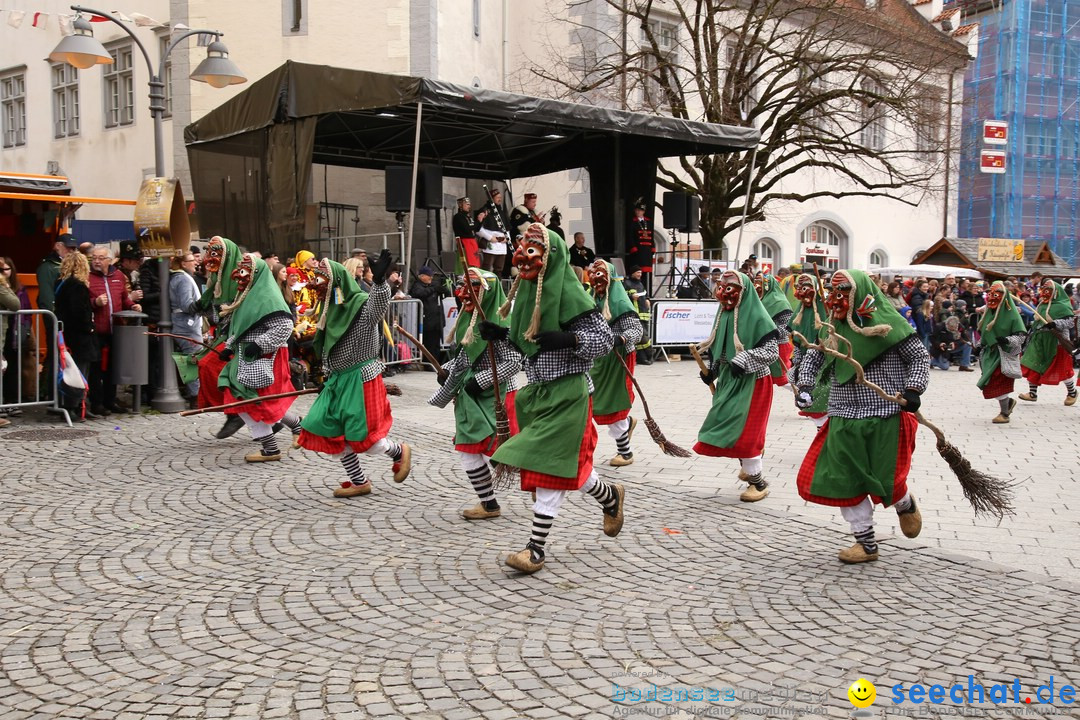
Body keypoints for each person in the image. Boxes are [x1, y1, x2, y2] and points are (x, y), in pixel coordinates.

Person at [477, 222, 624, 574]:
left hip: (570, 393)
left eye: (532, 249)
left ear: (550, 255)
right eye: (521, 247)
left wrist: (571, 340)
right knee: (564, 467)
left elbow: (604, 340)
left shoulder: (572, 294)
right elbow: (527, 342)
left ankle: (535, 549)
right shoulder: (528, 293)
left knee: (547, 469)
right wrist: (501, 335)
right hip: (539, 394)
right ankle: (610, 496)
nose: (522, 256)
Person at [794, 269, 928, 564]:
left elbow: (919, 357)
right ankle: (866, 543)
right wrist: (804, 385)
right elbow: (813, 357)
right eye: (833, 292)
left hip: (886, 413)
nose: (835, 298)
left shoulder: (891, 324)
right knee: (845, 480)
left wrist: (914, 388)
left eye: (843, 292)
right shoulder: (829, 328)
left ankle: (904, 504)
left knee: (888, 481)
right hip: (842, 414)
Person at [297, 251, 413, 496]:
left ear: (335, 282)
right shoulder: (330, 310)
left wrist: (381, 282)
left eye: (321, 280)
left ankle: (399, 452)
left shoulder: (360, 303)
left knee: (365, 439)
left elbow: (378, 305)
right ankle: (360, 481)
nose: (316, 285)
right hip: (338, 379)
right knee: (330, 430)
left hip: (361, 379)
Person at [428, 267, 523, 519]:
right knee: (468, 450)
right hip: (472, 398)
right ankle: (489, 503)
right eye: (463, 287)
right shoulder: (468, 321)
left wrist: (481, 380)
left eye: (472, 287)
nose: (463, 293)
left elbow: (515, 362)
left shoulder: (501, 324)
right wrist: (447, 370)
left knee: (504, 454)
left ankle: (539, 479)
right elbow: (463, 358)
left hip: (498, 397)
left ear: (487, 293)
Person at [694, 270, 779, 503]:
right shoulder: (722, 315)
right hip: (729, 382)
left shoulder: (759, 317)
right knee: (729, 426)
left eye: (730, 288)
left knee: (745, 432)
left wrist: (744, 359)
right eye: (721, 287)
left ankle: (758, 482)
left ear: (743, 292)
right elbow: (720, 349)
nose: (723, 293)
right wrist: (713, 371)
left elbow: (771, 352)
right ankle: (750, 463)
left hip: (754, 383)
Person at [210, 253, 303, 461]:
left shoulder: (267, 296)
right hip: (243, 356)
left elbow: (284, 326)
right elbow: (240, 325)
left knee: (256, 402)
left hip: (262, 358)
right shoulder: (246, 295)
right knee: (243, 400)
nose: (240, 276)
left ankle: (279, 442)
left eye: (245, 271)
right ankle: (289, 431)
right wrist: (229, 346)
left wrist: (259, 345)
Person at [586, 260, 644, 467]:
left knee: (612, 402)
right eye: (593, 275)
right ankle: (627, 425)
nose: (595, 279)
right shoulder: (590, 299)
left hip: (617, 357)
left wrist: (620, 339)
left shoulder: (620, 303)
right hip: (597, 356)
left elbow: (637, 331)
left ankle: (625, 453)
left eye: (600, 275)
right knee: (594, 401)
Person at [87, 245, 141, 417]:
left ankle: (110, 400)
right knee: (96, 369)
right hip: (96, 330)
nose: (96, 261)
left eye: (100, 258)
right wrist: (95, 303)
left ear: (109, 260)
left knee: (112, 367)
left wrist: (133, 306)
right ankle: (97, 403)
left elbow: (124, 298)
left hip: (116, 329)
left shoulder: (117, 276)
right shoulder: (87, 277)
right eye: (94, 257)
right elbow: (81, 301)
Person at [1019, 278, 1077, 405]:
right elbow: (1039, 320)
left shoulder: (1062, 305)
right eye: (1044, 289)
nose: (1045, 292)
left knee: (1062, 368)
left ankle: (1072, 392)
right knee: (1032, 363)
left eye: (1048, 290)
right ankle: (1032, 393)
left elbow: (1070, 321)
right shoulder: (1042, 305)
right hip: (1039, 339)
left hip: (1057, 342)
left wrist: (1055, 324)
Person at [51, 252, 95, 419]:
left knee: (68, 368)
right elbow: (79, 311)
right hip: (78, 335)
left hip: (66, 332)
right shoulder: (78, 285)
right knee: (78, 370)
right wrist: (89, 327)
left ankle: (75, 405)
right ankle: (75, 406)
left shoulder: (61, 283)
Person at [976, 281, 1026, 424]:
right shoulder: (988, 313)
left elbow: (1021, 336)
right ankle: (1007, 404)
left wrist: (1007, 340)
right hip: (990, 353)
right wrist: (980, 345)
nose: (992, 298)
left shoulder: (1012, 314)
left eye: (996, 295)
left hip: (1004, 354)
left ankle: (1004, 413)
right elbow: (985, 332)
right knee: (990, 382)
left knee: (998, 381)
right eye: (990, 294)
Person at [786, 273, 830, 428]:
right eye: (799, 288)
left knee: (824, 402)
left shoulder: (825, 309)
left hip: (826, 361)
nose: (802, 292)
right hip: (807, 361)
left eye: (806, 288)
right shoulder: (800, 311)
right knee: (811, 400)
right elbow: (797, 342)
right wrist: (797, 363)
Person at [1, 257, 36, 405]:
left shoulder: (19, 287)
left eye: (6, 269)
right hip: (5, 329)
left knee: (14, 366)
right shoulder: (2, 286)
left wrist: (26, 328)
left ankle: (13, 399)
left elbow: (25, 308)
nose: (3, 273)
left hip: (15, 329)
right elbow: (15, 304)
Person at [169, 252, 204, 400]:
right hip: (186, 325)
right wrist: (203, 305)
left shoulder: (179, 278)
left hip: (184, 323)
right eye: (192, 260)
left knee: (191, 359)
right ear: (183, 264)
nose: (196, 262)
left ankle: (195, 394)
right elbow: (186, 304)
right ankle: (196, 395)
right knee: (193, 360)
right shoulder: (182, 279)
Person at [408, 266, 450, 366]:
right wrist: (434, 288)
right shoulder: (417, 285)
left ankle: (436, 364)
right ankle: (429, 364)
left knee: (436, 345)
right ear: (422, 276)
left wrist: (443, 288)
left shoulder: (432, 286)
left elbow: (447, 293)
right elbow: (419, 293)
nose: (431, 277)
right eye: (429, 275)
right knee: (429, 345)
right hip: (427, 322)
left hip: (437, 321)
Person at [757, 273, 794, 386]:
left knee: (780, 377)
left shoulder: (780, 302)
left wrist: (771, 333)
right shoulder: (758, 301)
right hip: (762, 345)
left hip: (779, 345)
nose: (757, 287)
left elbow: (788, 327)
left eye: (760, 284)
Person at [36, 233, 77, 313]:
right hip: (57, 316)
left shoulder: (76, 265)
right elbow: (46, 297)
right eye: (68, 247)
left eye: (74, 248)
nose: (71, 251)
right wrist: (53, 317)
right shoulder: (48, 267)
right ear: (58, 246)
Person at [623, 265, 653, 365]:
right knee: (641, 336)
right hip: (634, 314)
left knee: (642, 337)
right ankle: (649, 354)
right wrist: (631, 297)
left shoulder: (640, 283)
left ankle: (642, 358)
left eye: (640, 272)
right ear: (632, 273)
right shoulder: (626, 283)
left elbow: (645, 294)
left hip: (643, 313)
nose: (640, 274)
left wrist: (648, 299)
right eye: (638, 272)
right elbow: (623, 297)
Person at [477, 188, 509, 274]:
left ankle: (497, 286)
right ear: (492, 198)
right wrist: (490, 237)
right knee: (486, 268)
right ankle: (485, 287)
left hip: (502, 245)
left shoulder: (502, 212)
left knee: (499, 269)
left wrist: (507, 238)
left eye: (500, 197)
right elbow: (478, 228)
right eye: (497, 197)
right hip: (490, 244)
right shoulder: (484, 211)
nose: (500, 199)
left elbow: (507, 228)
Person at [626, 202, 655, 295]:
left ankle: (648, 292)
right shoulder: (633, 222)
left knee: (647, 273)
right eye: (637, 210)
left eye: (641, 210)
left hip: (647, 250)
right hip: (638, 250)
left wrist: (653, 247)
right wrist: (633, 248)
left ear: (644, 211)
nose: (639, 212)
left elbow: (652, 235)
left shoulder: (649, 222)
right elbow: (630, 236)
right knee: (638, 272)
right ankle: (639, 291)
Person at [452, 196, 482, 268]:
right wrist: (477, 222)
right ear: (461, 205)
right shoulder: (458, 217)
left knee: (474, 264)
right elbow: (467, 228)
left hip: (472, 242)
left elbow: (476, 229)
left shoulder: (469, 217)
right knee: (465, 264)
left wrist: (480, 221)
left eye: (469, 204)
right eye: (467, 204)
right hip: (464, 243)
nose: (469, 206)